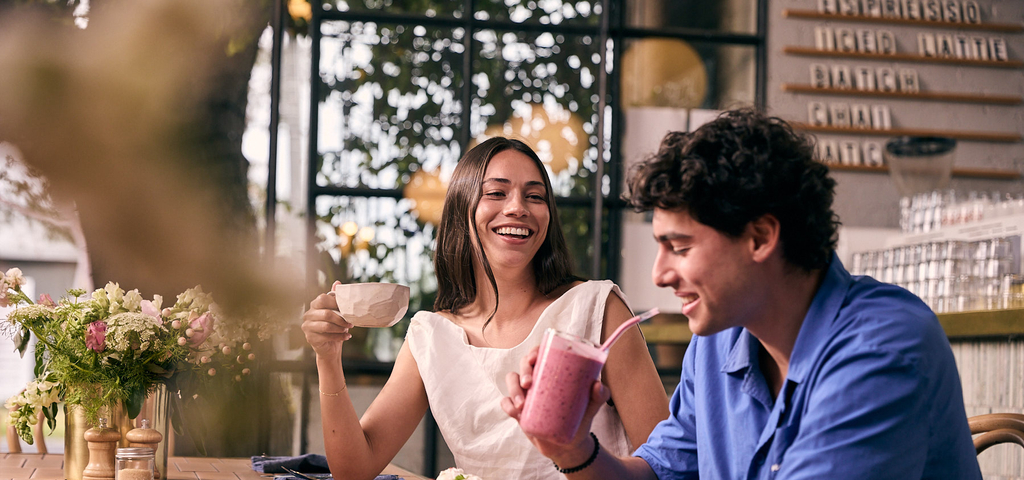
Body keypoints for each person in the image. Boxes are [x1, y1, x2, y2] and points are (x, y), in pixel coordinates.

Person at [502, 109, 982, 479]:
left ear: (759, 238)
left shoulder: (881, 349)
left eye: (680, 247)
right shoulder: (718, 342)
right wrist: (571, 449)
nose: (660, 274)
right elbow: (655, 474)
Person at [301, 137, 669, 480]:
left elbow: (667, 466)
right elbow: (355, 469)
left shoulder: (597, 308)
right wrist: (328, 357)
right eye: (496, 192)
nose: (517, 208)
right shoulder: (432, 336)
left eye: (535, 197)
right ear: (463, 210)